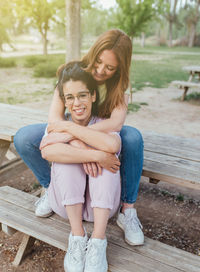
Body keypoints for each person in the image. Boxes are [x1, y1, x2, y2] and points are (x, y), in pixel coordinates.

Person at [14, 29, 144, 246]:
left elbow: (115, 123)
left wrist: (83, 139)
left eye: (110, 68)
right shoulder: (71, 71)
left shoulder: (121, 85)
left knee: (133, 138)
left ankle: (127, 209)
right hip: (70, 125)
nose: (101, 71)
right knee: (24, 137)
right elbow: (55, 118)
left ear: (120, 68)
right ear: (93, 54)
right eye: (98, 62)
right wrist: (76, 141)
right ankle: (51, 187)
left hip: (101, 129)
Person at [41, 61, 121, 272]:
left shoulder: (103, 124)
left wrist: (74, 137)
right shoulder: (58, 124)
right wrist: (92, 154)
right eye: (70, 98)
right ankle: (77, 236)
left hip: (101, 209)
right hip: (67, 206)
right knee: (69, 161)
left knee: (109, 161)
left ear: (93, 96)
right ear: (64, 101)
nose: (77, 103)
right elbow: (47, 151)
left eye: (82, 95)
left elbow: (112, 145)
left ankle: (98, 241)